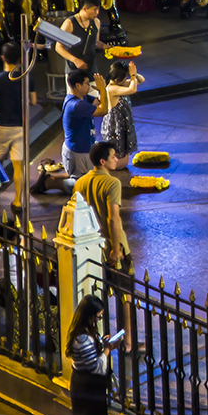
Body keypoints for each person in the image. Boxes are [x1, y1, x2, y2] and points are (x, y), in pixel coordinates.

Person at [74, 141, 135, 350]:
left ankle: (96, 338)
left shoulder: (80, 183)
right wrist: (117, 248)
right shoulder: (112, 184)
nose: (116, 159)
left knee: (95, 292)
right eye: (113, 157)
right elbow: (113, 219)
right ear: (103, 161)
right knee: (125, 294)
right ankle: (127, 342)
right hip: (110, 246)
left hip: (90, 248)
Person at [38, 69, 110, 193]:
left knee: (89, 180)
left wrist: (101, 91)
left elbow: (99, 103)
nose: (89, 85)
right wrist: (103, 89)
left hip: (83, 149)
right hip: (77, 152)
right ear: (77, 85)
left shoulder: (82, 98)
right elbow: (103, 111)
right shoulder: (76, 105)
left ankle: (55, 177)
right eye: (87, 83)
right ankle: (49, 182)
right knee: (83, 188)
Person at [0, 41, 37, 212]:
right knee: (19, 166)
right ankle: (18, 201)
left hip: (1, 126)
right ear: (20, 58)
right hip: (20, 127)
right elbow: (33, 101)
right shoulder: (26, 78)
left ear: (3, 58)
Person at [66, 294, 123, 415]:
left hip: (88, 388)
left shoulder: (86, 333)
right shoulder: (82, 338)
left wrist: (103, 344)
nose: (99, 320)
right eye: (98, 317)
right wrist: (108, 349)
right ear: (89, 316)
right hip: (87, 390)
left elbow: (92, 354)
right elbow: (95, 367)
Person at [101, 59, 144, 166]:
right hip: (115, 126)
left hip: (123, 123)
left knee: (124, 156)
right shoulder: (111, 89)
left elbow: (141, 80)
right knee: (118, 157)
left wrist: (133, 72)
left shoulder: (121, 84)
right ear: (117, 77)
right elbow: (132, 90)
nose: (127, 78)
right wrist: (132, 76)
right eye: (125, 76)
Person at [56, 0, 102, 80]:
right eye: (95, 9)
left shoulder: (96, 22)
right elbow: (58, 47)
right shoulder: (69, 23)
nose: (97, 12)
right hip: (74, 71)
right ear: (85, 9)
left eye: (98, 9)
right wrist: (75, 60)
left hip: (92, 70)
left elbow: (96, 42)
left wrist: (109, 47)